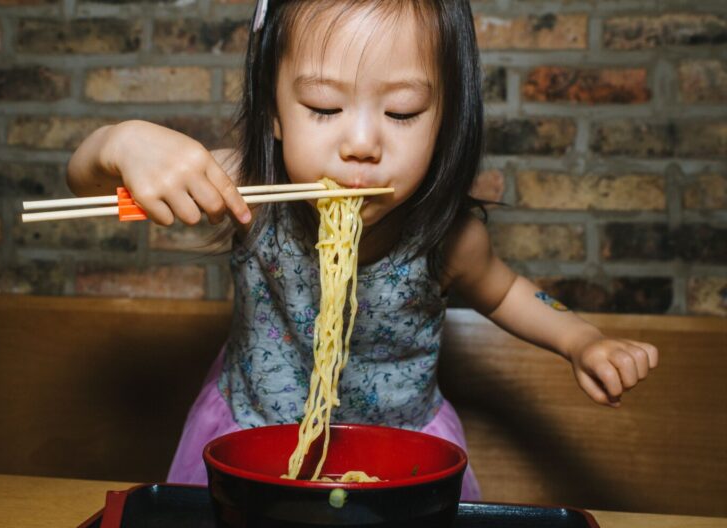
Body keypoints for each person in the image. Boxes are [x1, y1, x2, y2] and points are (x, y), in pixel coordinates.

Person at [66, 0, 658, 500]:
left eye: (403, 112)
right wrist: (120, 145)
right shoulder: (245, 193)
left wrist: (582, 340)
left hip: (402, 462)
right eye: (324, 107)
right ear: (274, 111)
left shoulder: (448, 239)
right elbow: (85, 185)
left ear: (445, 118)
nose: (361, 144)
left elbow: (506, 292)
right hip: (247, 440)